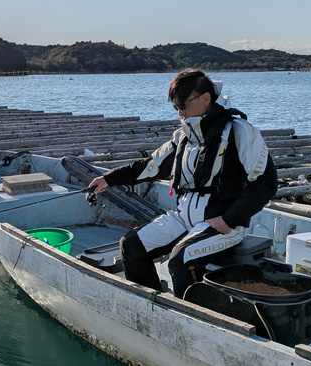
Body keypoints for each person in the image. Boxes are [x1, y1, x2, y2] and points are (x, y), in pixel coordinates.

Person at [88, 69, 277, 298]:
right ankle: (154, 304)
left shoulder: (240, 132)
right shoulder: (183, 136)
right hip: (182, 218)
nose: (180, 112)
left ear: (206, 99)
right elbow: (150, 166)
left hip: (222, 224)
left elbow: (266, 184)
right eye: (175, 106)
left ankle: (192, 319)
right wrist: (108, 179)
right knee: (131, 245)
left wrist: (229, 220)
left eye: (183, 104)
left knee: (180, 260)